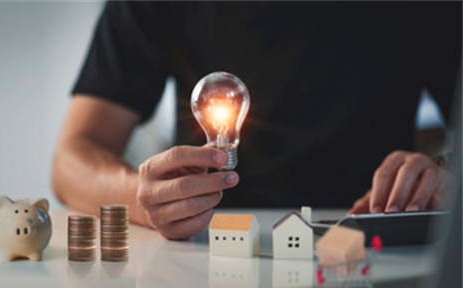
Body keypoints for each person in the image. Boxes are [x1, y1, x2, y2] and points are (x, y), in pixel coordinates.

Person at [52, 1, 460, 239]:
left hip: (372, 238)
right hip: (208, 246)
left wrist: (446, 175)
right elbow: (72, 159)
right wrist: (147, 198)